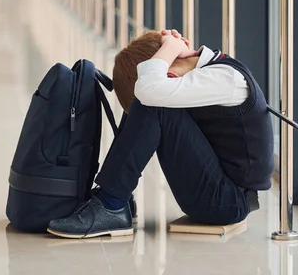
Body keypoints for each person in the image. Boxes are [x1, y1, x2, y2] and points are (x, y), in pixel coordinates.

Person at [46, 29, 274, 239]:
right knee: (150, 96)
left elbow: (150, 89)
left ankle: (111, 203)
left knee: (152, 100)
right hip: (221, 191)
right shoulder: (208, 71)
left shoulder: (225, 79)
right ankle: (118, 198)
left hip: (225, 203)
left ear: (169, 69)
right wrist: (170, 51)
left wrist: (169, 49)